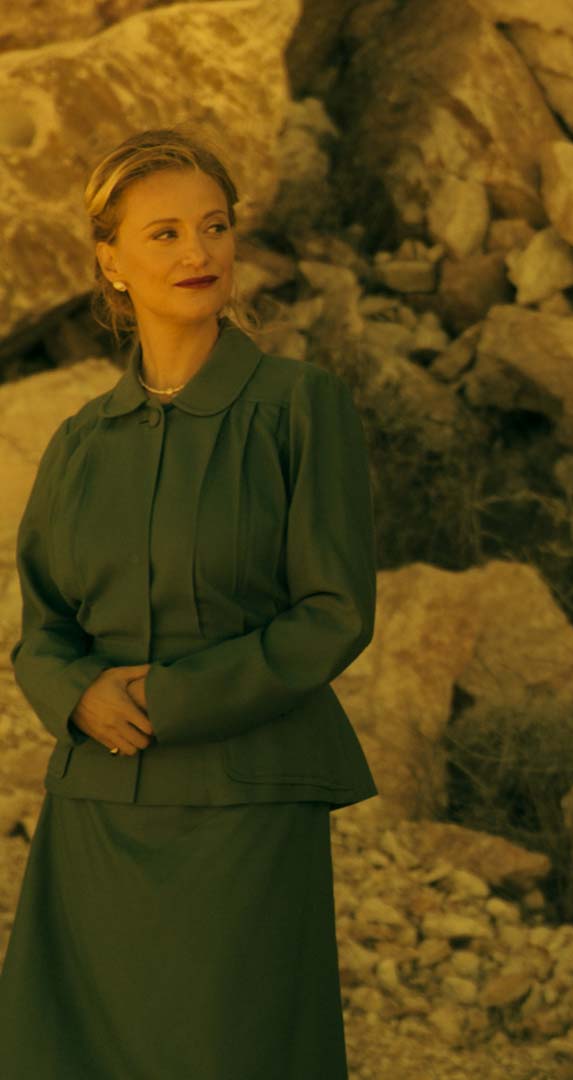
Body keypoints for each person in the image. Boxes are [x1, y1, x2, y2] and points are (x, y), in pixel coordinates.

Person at [0, 129, 377, 1079]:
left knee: (233, 1052)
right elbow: (42, 629)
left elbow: (333, 610)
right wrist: (78, 697)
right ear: (110, 262)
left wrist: (169, 700)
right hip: (96, 811)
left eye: (214, 226)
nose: (197, 252)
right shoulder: (81, 441)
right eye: (164, 234)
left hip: (245, 803)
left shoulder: (300, 407)